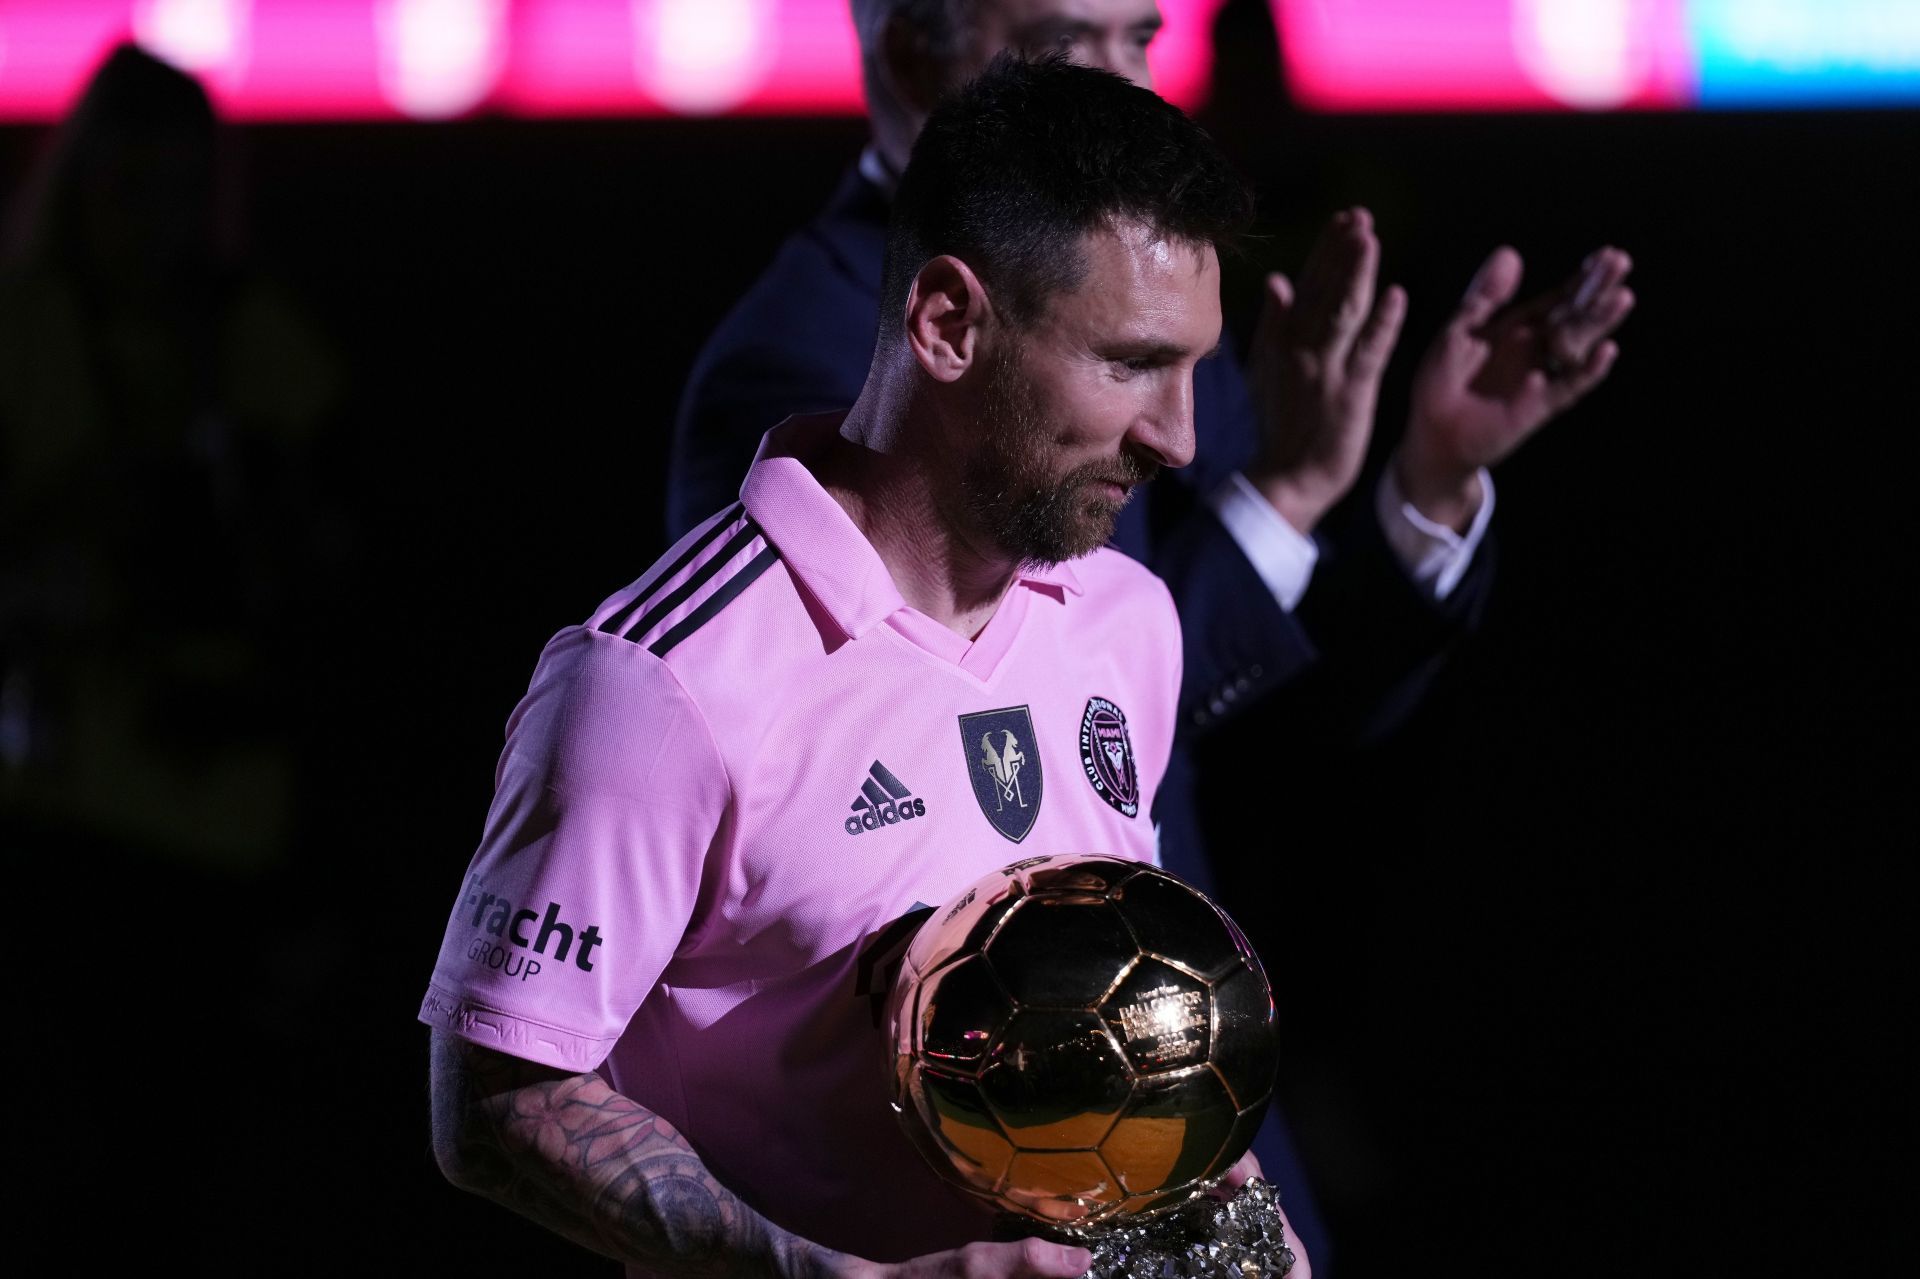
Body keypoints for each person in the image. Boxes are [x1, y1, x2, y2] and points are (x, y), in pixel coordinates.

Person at [668, 5, 1634, 1263]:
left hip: (1178, 1126)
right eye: (1076, 37)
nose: (1131, 80)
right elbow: (943, 760)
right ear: (920, 50)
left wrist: (1423, 486)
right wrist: (1276, 507)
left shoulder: (1154, 302)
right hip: (950, 1175)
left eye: (1142, 34)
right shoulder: (809, 358)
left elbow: (1258, 721)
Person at [425, 56, 1305, 1278]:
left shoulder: (1127, 621)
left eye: (1195, 368)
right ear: (948, 325)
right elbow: (495, 1103)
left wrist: (1237, 1237)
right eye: (1129, 363)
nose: (1180, 437)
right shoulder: (656, 680)